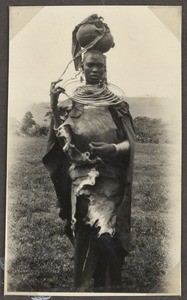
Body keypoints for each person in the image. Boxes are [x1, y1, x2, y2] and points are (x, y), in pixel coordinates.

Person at [42, 50, 135, 292]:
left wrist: (113, 149)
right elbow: (62, 143)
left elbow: (130, 145)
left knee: (108, 234)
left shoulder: (117, 106)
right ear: (81, 69)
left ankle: (111, 287)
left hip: (111, 180)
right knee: (84, 230)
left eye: (100, 66)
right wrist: (53, 105)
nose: (95, 70)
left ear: (105, 69)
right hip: (82, 179)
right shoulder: (71, 104)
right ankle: (82, 287)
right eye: (90, 65)